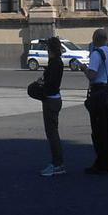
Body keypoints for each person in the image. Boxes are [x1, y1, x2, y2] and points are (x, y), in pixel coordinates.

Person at [84, 28, 108, 174]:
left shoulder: (96, 54)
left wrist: (83, 68)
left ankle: (101, 162)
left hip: (99, 93)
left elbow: (92, 75)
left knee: (98, 130)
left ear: (95, 39)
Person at [39, 36, 66, 176]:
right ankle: (57, 163)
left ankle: (58, 164)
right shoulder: (56, 62)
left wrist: (40, 85)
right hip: (54, 99)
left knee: (52, 134)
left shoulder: (55, 63)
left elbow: (51, 84)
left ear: (51, 49)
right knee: (52, 133)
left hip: (51, 100)